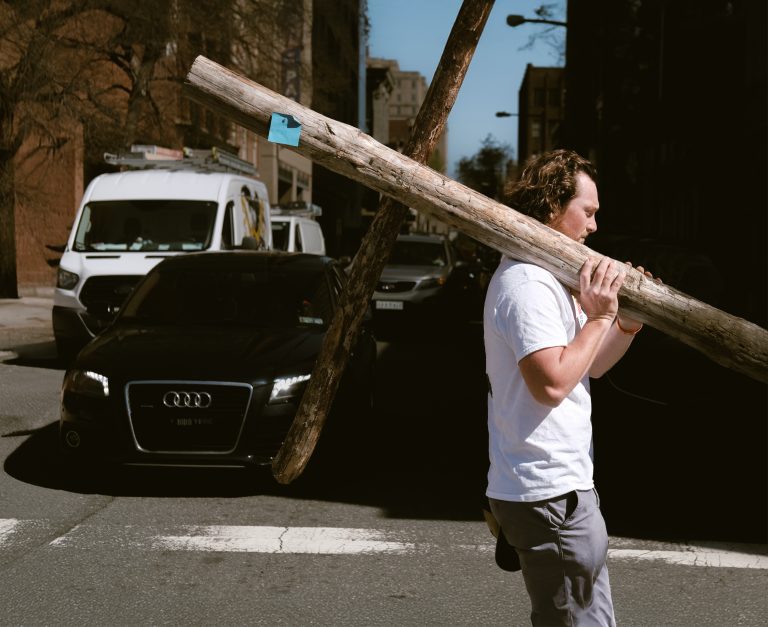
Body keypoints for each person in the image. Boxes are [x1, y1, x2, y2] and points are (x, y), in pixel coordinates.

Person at [484, 149, 649, 626]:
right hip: (547, 492)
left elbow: (587, 367)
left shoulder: (550, 278)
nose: (595, 226)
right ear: (553, 204)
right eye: (589, 211)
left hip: (566, 486)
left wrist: (625, 325)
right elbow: (552, 383)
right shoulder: (527, 284)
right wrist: (600, 315)